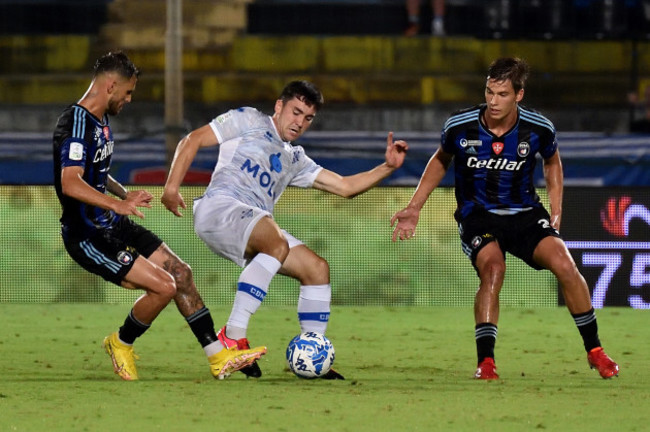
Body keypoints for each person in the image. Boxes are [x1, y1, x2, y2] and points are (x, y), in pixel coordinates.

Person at [390, 57, 619, 380]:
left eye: (502, 94)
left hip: (525, 214)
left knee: (565, 265)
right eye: (489, 92)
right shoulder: (460, 126)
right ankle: (486, 363)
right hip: (477, 216)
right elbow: (441, 160)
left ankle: (595, 351)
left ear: (519, 95)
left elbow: (552, 162)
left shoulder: (539, 128)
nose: (493, 101)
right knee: (494, 269)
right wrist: (414, 207)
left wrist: (556, 207)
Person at [161, 80, 408, 379]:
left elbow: (345, 187)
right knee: (275, 242)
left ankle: (312, 355)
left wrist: (387, 167)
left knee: (316, 269)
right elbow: (192, 139)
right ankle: (232, 336)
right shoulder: (248, 119)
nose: (299, 122)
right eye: (296, 111)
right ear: (279, 106)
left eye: (307, 118)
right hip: (220, 207)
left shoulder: (295, 158)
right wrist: (171, 187)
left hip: (252, 221)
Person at [53, 51, 266, 381]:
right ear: (110, 86)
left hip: (112, 222)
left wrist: (122, 194)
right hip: (88, 235)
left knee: (180, 273)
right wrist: (117, 205)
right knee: (164, 288)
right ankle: (120, 343)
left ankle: (217, 357)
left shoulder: (100, 121)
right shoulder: (75, 123)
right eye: (127, 92)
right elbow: (70, 182)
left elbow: (94, 172)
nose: (129, 100)